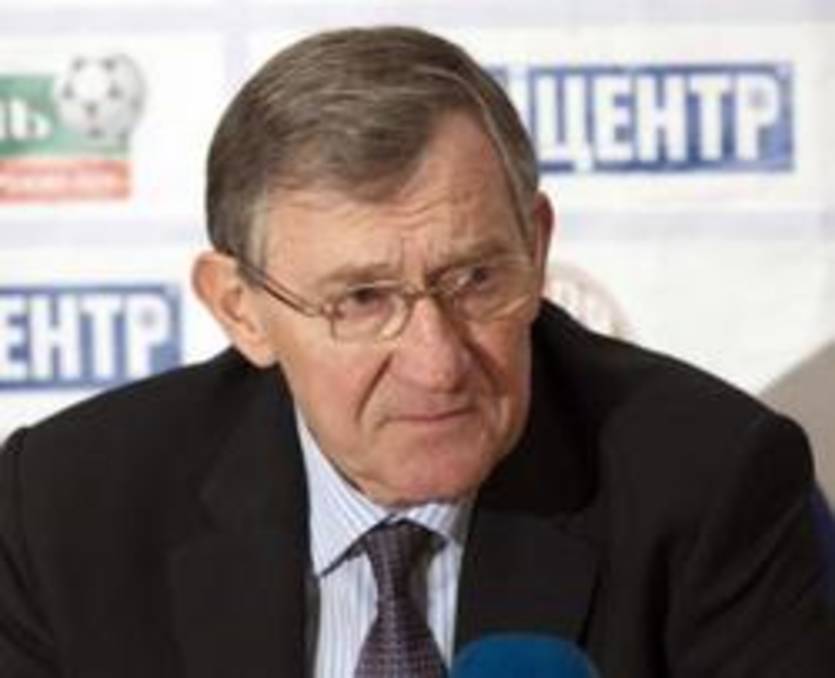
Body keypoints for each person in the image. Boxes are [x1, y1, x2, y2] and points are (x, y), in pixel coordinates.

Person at [0, 26, 832, 678]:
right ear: (240, 309)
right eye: (362, 300)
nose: (437, 363)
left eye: (474, 278)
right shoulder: (66, 510)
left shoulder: (711, 484)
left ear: (536, 245)